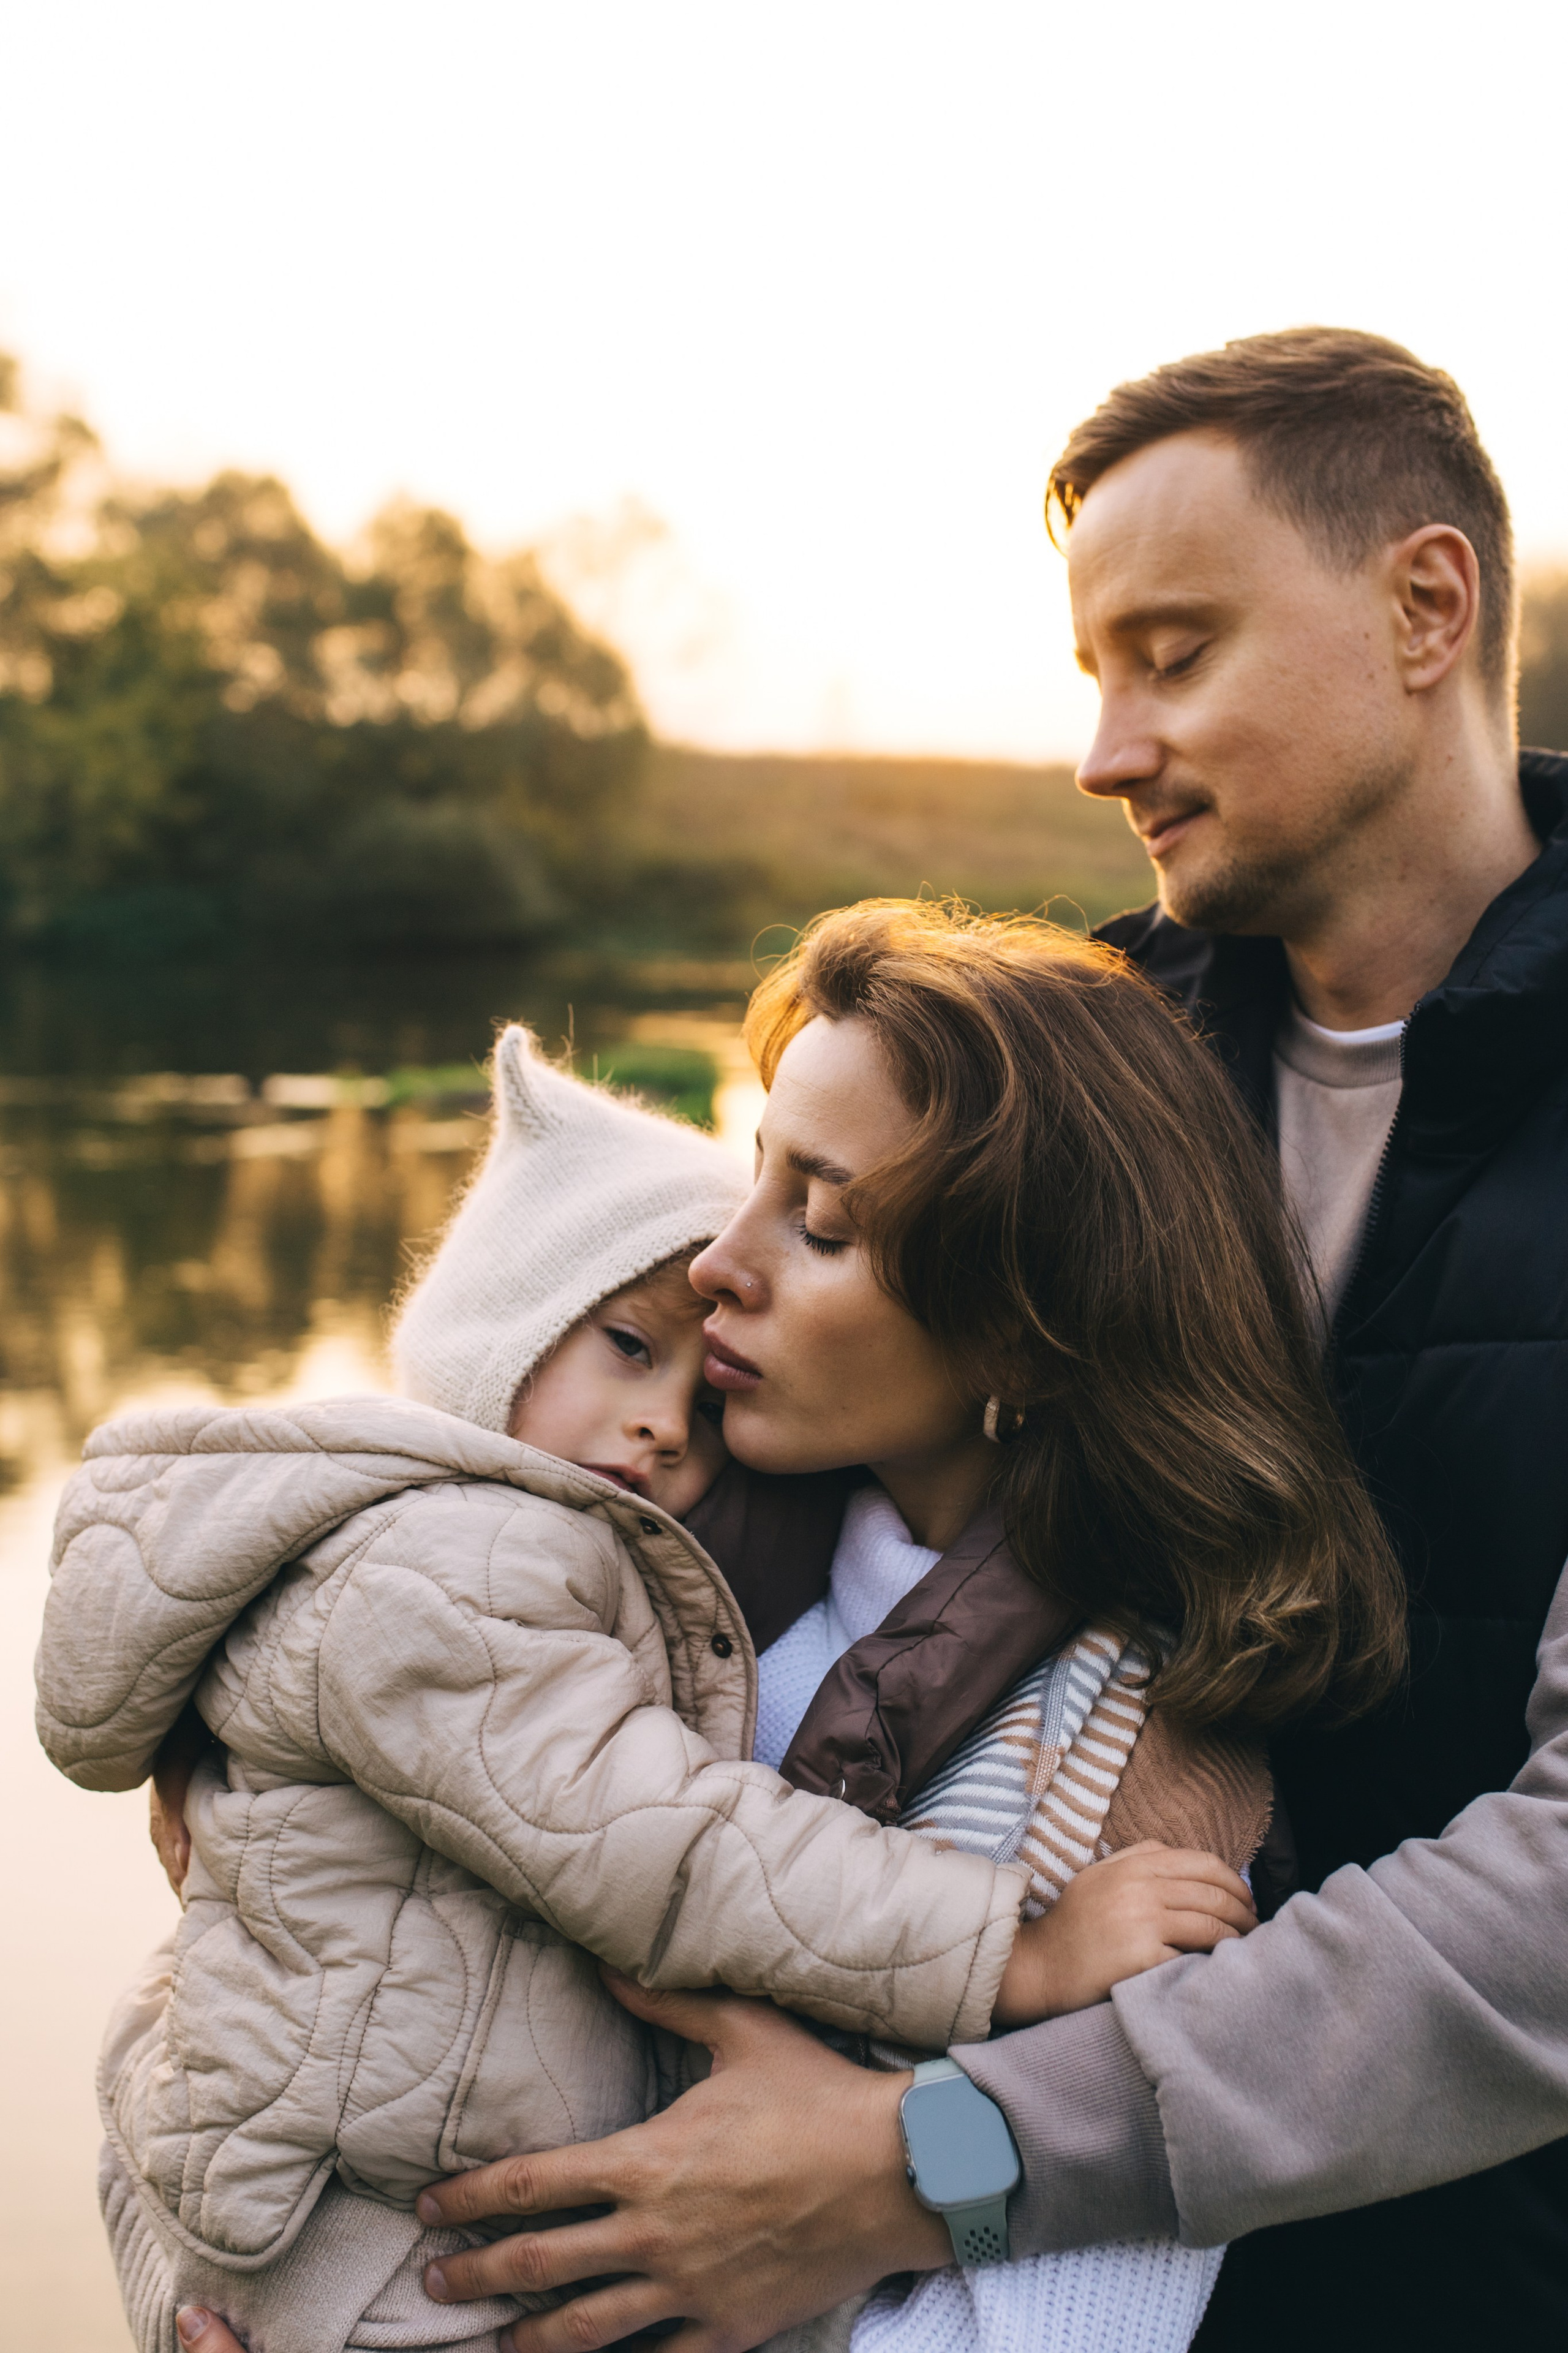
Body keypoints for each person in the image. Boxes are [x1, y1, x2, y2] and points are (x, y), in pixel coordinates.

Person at [342, 330, 1568, 2353]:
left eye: (1172, 654)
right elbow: (685, 1476)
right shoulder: (1071, 1074)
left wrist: (933, 2151)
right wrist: (327, 1688)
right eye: (1093, 667)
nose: (1101, 748)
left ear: (1427, 607)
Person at [151, 896, 1404, 2353]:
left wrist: (894, 2163)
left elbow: (1089, 2268)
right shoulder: (623, 1574)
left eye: (815, 1221)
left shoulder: (1129, 1772)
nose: (711, 1265)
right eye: (752, 1175)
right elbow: (258, 2017)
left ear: (1021, 1329)